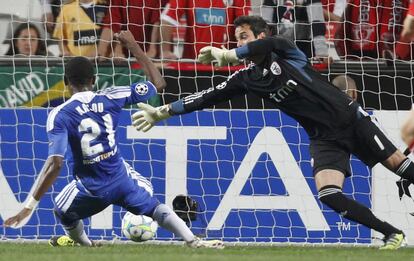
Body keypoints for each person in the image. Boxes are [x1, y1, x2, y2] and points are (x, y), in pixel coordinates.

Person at [132, 15, 413, 250]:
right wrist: (162, 112)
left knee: (398, 165)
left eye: (244, 36)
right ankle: (391, 233)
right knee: (328, 194)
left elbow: (274, 41)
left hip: (350, 118)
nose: (239, 42)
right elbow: (206, 97)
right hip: (323, 137)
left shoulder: (286, 53)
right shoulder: (246, 78)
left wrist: (230, 54)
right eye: (236, 38)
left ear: (260, 35)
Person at [3, 30, 223, 249]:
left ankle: (86, 245)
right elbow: (158, 83)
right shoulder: (112, 96)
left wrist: (29, 206)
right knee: (155, 208)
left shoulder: (60, 114)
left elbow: (56, 162)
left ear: (65, 81)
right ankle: (193, 241)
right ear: (94, 79)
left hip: (90, 188)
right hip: (120, 180)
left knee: (62, 210)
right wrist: (134, 46)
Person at [160, 0, 250, 59]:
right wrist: (165, 51)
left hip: (226, 64)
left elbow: (246, 25)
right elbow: (167, 19)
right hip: (194, 64)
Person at [261, 0, 330, 63]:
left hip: (303, 50)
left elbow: (317, 24)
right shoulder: (272, 1)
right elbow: (265, 25)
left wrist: (321, 52)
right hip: (278, 50)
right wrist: (262, 50)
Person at [98, 0, 168, 59]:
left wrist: (152, 49)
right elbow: (112, 22)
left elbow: (159, 20)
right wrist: (102, 50)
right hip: (125, 52)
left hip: (153, 52)